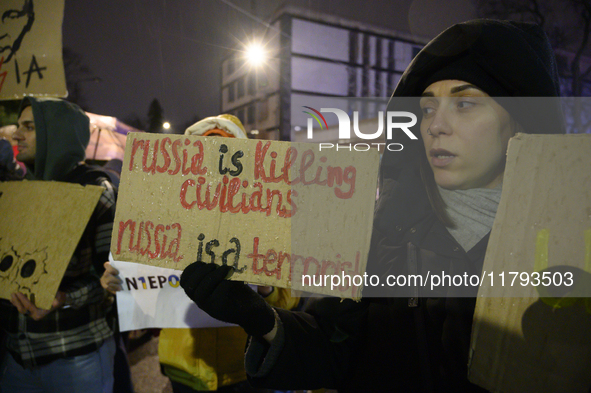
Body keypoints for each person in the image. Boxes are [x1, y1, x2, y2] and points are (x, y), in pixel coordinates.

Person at [177, 19, 565, 392]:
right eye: (427, 108)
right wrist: (262, 320)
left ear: (518, 122)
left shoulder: (568, 243)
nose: (435, 125)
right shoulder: (380, 234)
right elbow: (335, 349)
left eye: (464, 104)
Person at [101, 114, 299, 393]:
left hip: (245, 368)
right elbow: (145, 291)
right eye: (201, 153)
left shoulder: (265, 218)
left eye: (226, 153)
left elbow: (290, 301)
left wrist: (266, 287)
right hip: (183, 370)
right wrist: (120, 283)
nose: (214, 162)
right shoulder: (163, 218)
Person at [0, 97, 117, 393]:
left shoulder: (95, 192)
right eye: (18, 126)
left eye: (29, 127)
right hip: (17, 359)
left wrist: (64, 298)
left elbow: (113, 278)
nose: (16, 135)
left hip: (75, 360)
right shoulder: (15, 195)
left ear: (57, 133)